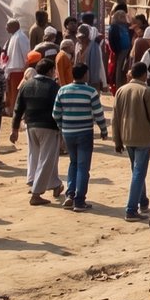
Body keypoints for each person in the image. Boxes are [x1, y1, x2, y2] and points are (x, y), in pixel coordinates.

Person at [113, 62, 150, 221]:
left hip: (126, 137)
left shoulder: (121, 90)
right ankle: (131, 209)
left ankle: (143, 202)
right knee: (138, 172)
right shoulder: (147, 91)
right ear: (144, 75)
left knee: (137, 171)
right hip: (143, 138)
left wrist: (117, 140)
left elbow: (115, 117)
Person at [53, 62, 107, 211]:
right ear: (84, 75)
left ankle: (70, 195)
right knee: (83, 167)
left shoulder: (62, 90)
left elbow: (56, 113)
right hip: (84, 132)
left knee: (73, 163)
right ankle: (80, 200)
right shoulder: (90, 92)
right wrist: (103, 130)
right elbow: (98, 114)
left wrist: (62, 126)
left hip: (68, 132)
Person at [10, 59, 63, 205]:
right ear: (50, 71)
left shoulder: (26, 85)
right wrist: (62, 128)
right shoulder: (54, 86)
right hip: (48, 126)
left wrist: (14, 129)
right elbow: (58, 109)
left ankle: (53, 184)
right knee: (47, 159)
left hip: (31, 126)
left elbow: (18, 108)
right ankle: (36, 193)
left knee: (35, 156)